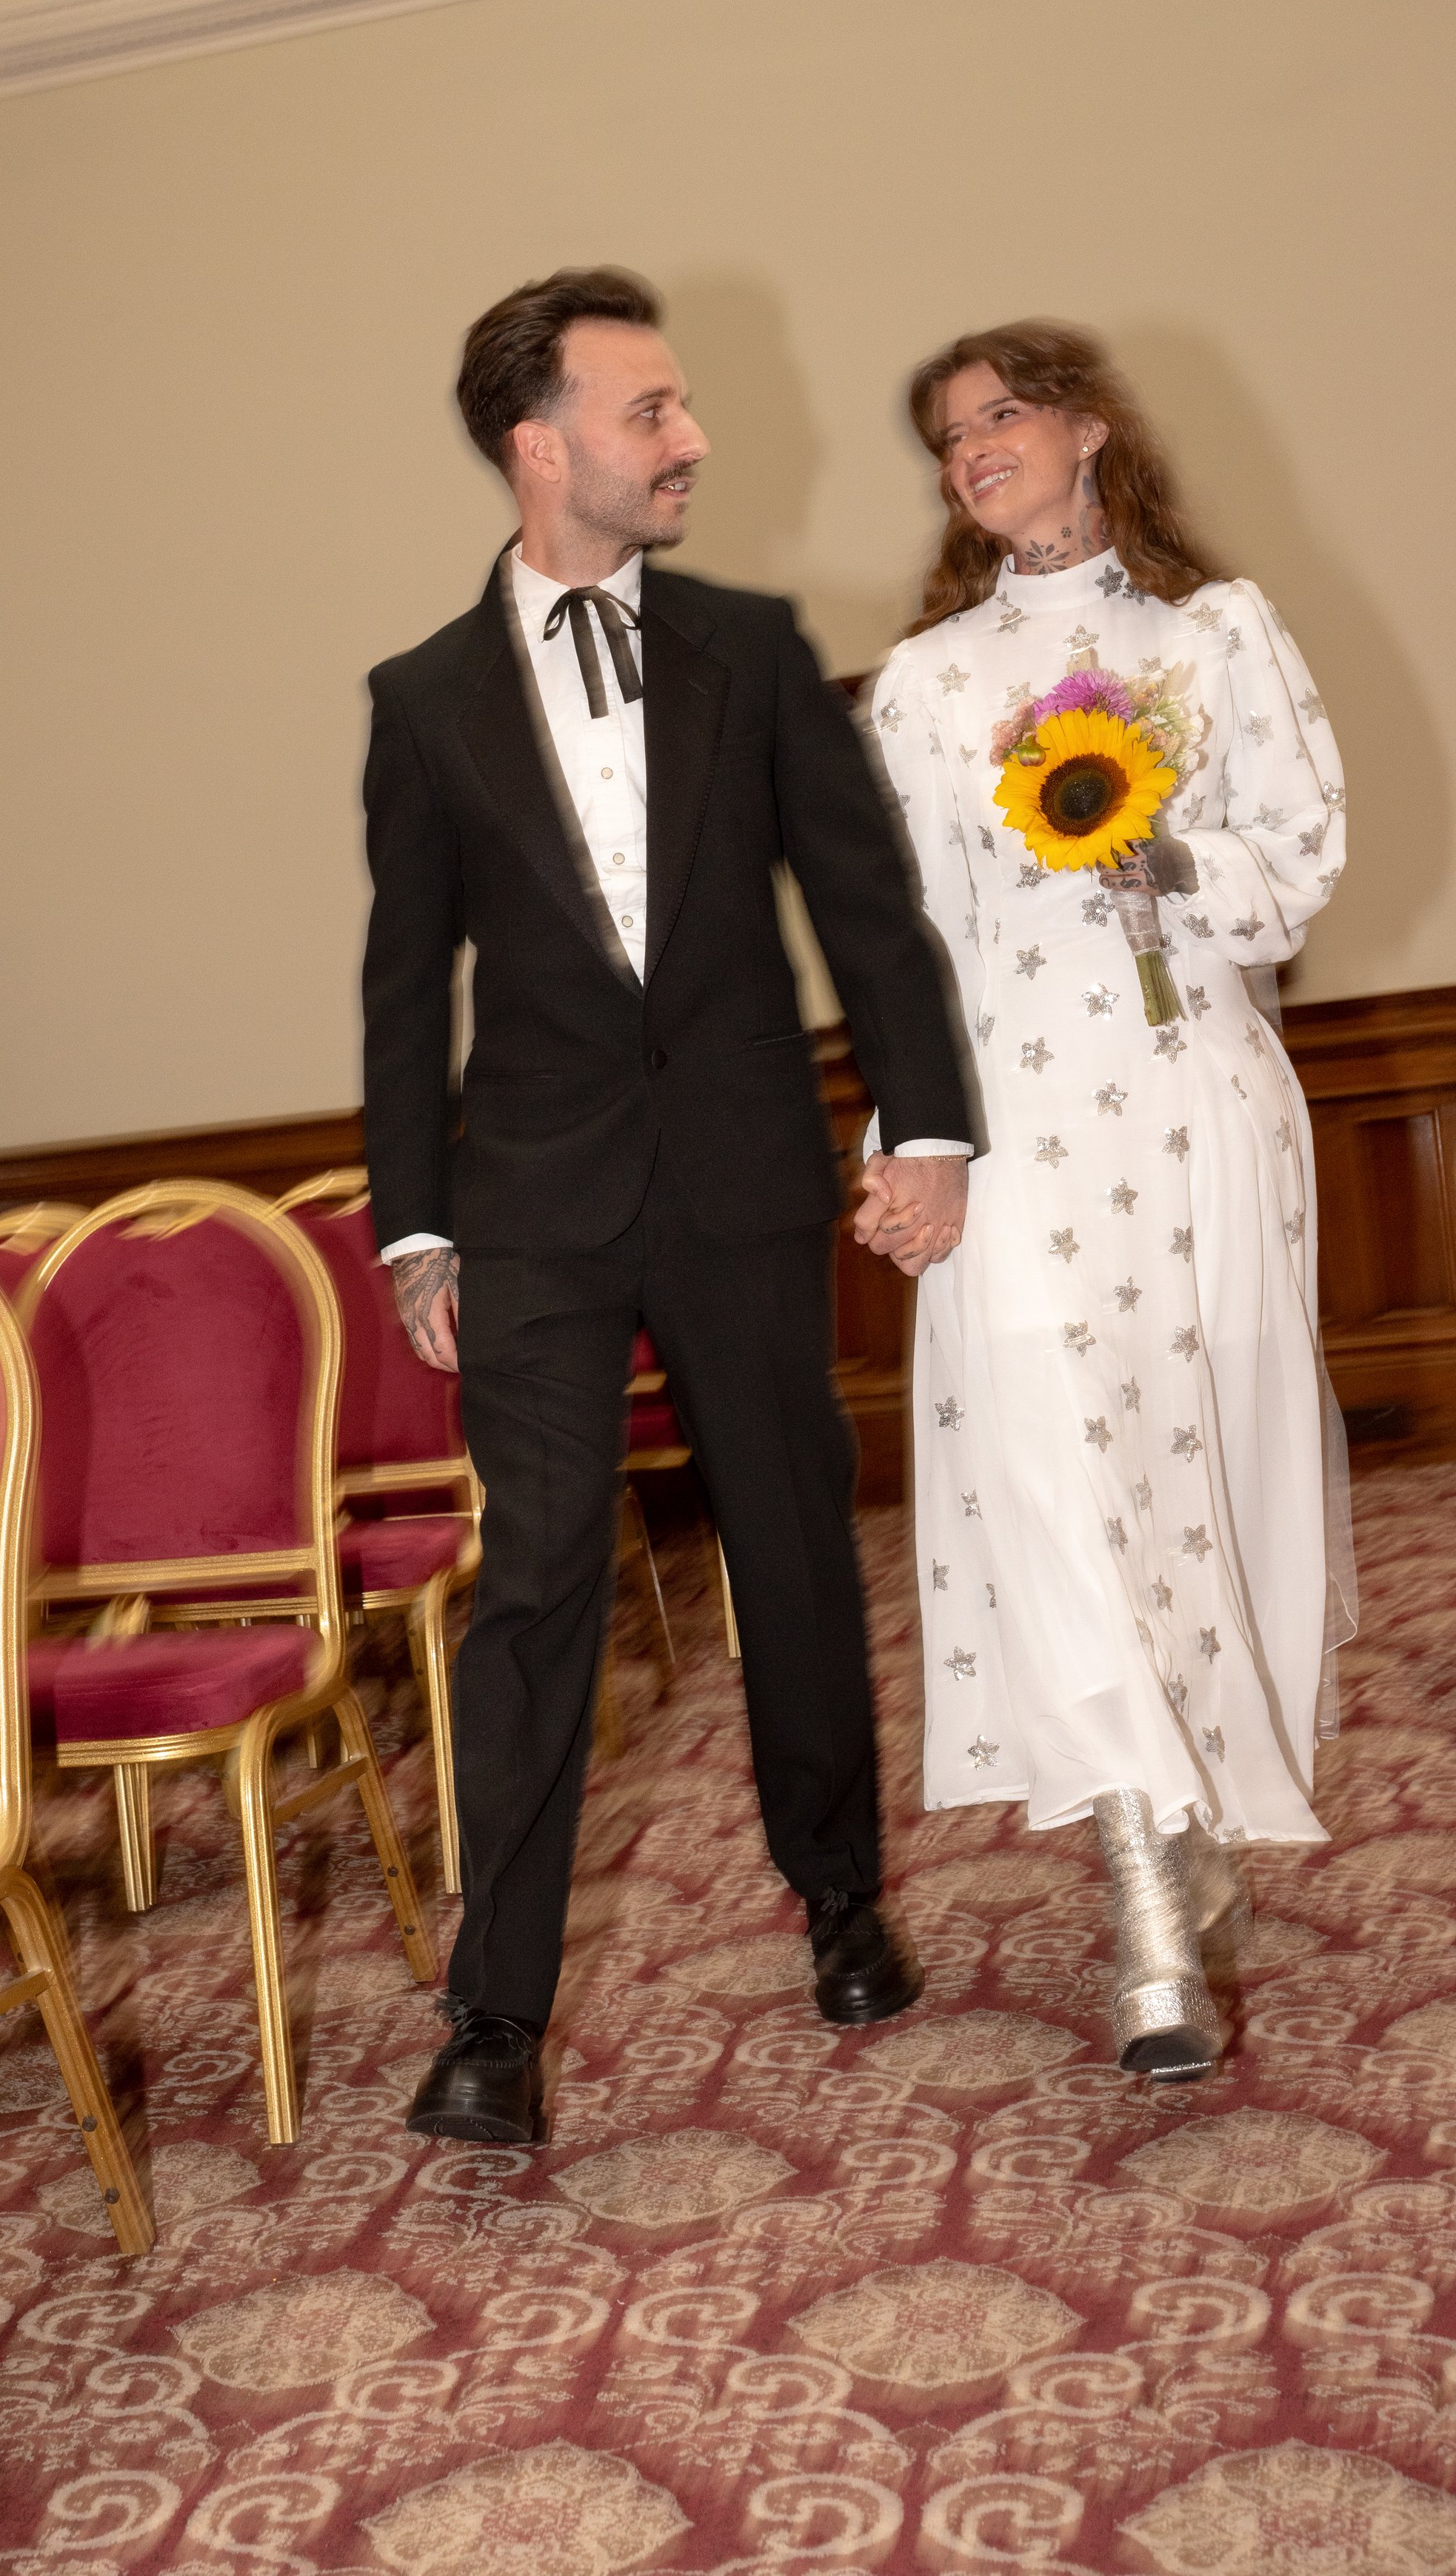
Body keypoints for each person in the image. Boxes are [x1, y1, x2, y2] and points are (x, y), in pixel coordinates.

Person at [361, 267, 973, 2143]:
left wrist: (925, 1124)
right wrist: (411, 1227)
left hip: (733, 1177)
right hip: (528, 1209)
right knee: (536, 1577)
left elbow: (862, 911)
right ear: (539, 447)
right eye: (650, 413)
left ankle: (838, 1893)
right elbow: (408, 983)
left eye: (683, 407)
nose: (689, 438)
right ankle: (495, 2018)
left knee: (785, 1539)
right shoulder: (422, 699)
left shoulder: (754, 647)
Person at [854, 319, 1353, 2081]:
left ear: (1084, 431)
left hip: (1195, 1105)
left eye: (1001, 415)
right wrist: (904, 1147)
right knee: (1048, 1470)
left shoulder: (1214, 639)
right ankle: (1141, 1910)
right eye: (945, 434)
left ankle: (1196, 1809)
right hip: (1013, 1127)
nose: (971, 448)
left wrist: (1157, 850)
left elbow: (1292, 869)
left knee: (1189, 1459)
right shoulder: (921, 686)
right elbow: (900, 942)